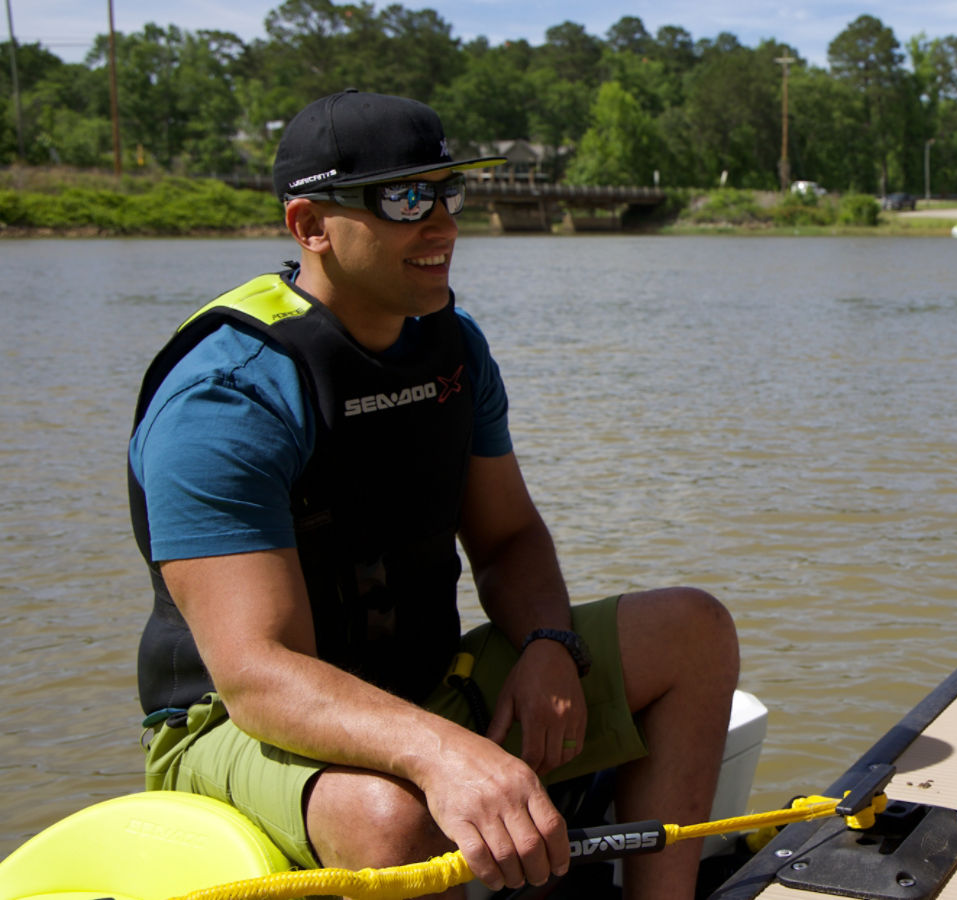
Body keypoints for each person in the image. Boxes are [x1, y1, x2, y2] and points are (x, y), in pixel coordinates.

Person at [129, 89, 740, 900]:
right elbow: (259, 674)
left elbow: (510, 538)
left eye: (447, 190)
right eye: (403, 198)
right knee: (394, 822)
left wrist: (551, 642)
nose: (443, 224)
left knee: (693, 632)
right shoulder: (226, 399)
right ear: (310, 225)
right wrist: (440, 751)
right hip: (235, 725)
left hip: (423, 682)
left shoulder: (452, 346)